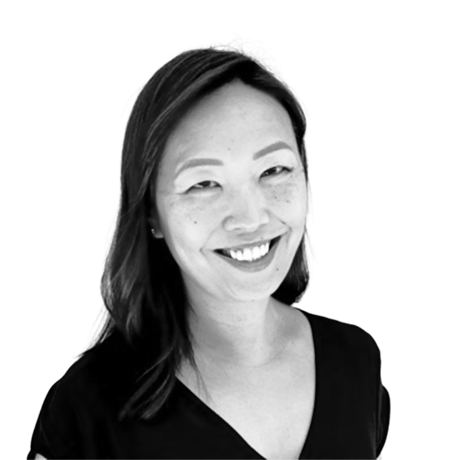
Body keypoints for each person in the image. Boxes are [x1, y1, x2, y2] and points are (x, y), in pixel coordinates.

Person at [27, 48, 390, 459]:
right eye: (203, 184)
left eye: (274, 170)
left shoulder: (355, 363)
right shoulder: (88, 410)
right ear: (151, 213)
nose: (251, 218)